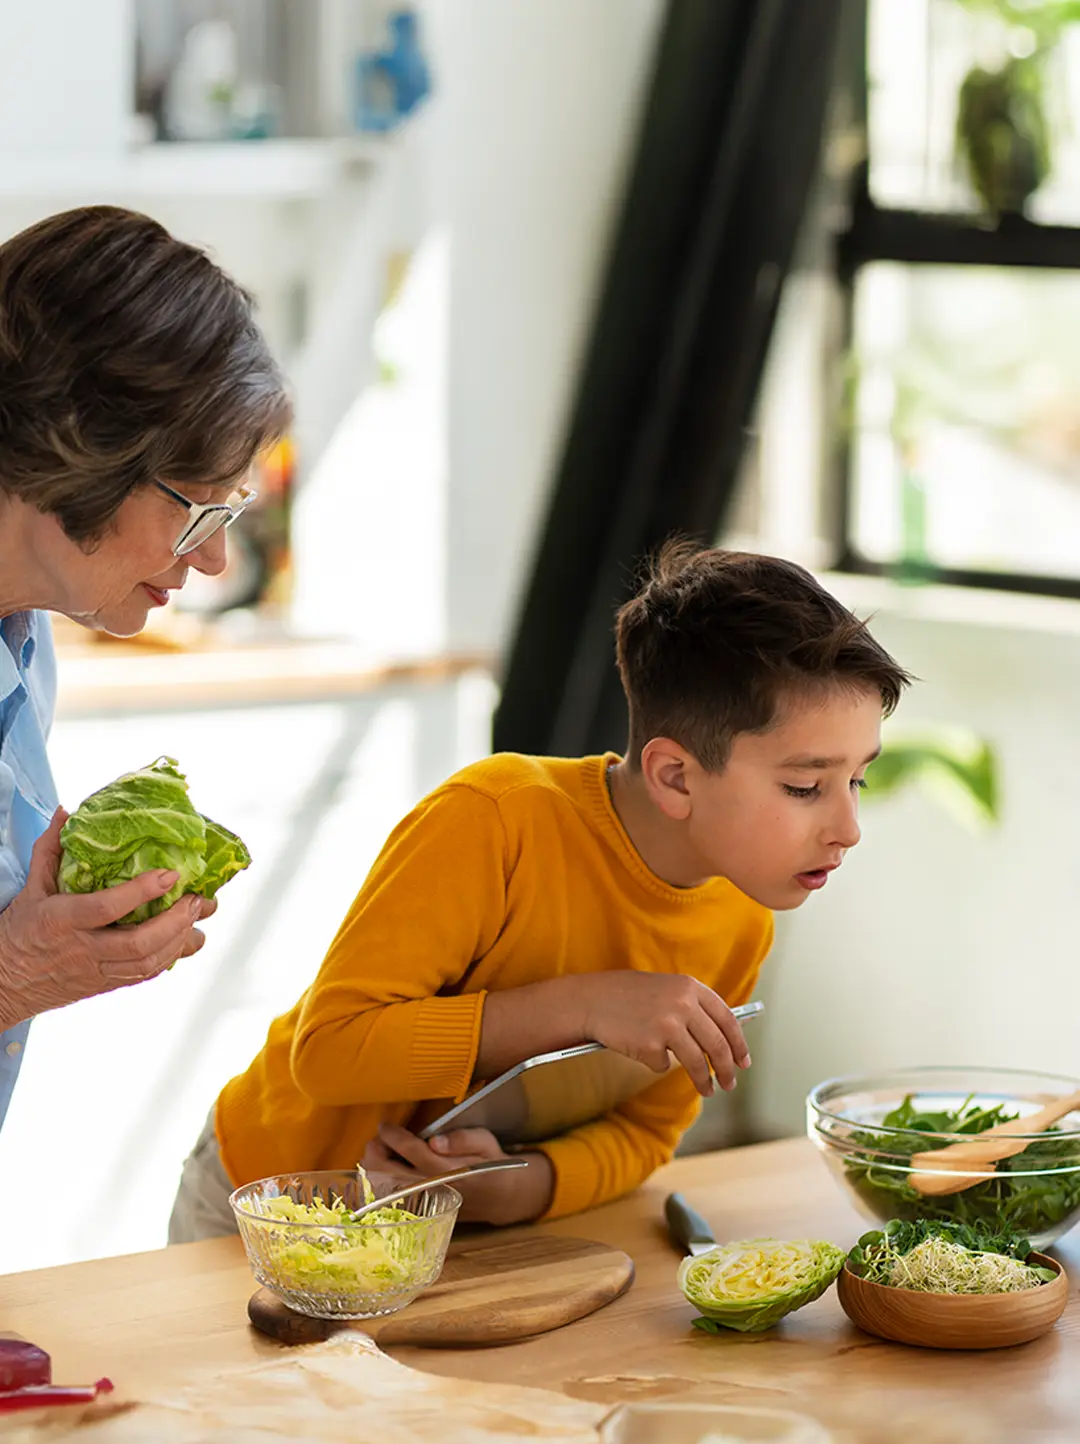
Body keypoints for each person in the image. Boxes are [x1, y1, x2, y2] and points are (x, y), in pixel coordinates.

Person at [169, 541, 910, 1240]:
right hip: (269, 1205)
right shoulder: (494, 819)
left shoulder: (741, 915)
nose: (847, 826)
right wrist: (587, 1006)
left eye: (856, 779)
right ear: (675, 775)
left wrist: (520, 1187)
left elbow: (646, 1133)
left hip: (440, 1234)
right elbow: (329, 1052)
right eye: (806, 786)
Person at [0, 205, 289, 1132]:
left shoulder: (26, 640)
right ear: (78, 449)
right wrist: (12, 977)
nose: (210, 562)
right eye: (195, 511)